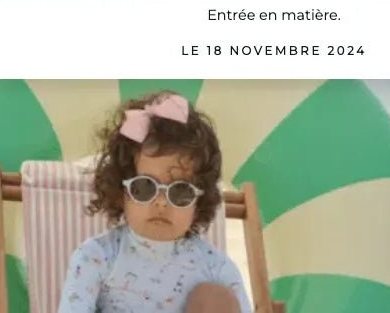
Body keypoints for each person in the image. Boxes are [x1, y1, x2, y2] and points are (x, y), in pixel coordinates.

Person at [57, 91, 251, 313]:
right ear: (121, 193)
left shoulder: (215, 268)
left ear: (199, 203)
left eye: (180, 192)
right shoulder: (97, 256)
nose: (160, 202)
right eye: (144, 188)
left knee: (214, 298)